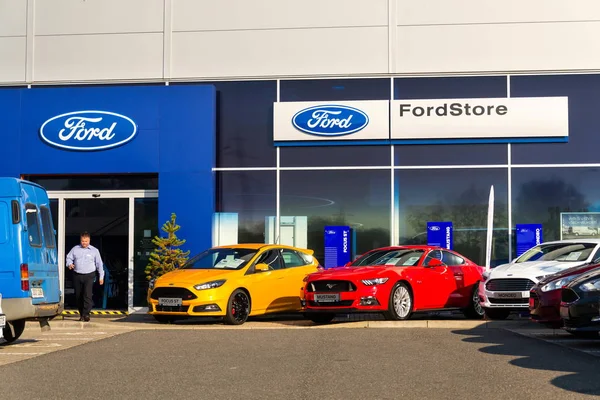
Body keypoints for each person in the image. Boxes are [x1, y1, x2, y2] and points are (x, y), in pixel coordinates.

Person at [66, 232, 104, 322]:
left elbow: (99, 264)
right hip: (77, 275)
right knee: (78, 295)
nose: (84, 243)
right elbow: (68, 257)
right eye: (83, 241)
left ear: (89, 240)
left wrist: (101, 277)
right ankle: (81, 314)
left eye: (86, 241)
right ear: (80, 240)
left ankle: (86, 314)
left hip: (89, 275)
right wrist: (69, 264)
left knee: (87, 295)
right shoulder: (75, 249)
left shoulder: (94, 251)